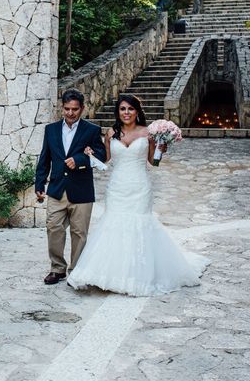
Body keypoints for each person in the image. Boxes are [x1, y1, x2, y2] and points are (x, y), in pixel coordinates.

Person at [67, 94, 209, 296]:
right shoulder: (110, 133)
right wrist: (90, 154)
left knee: (139, 225)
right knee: (113, 224)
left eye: (130, 109)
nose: (126, 113)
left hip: (140, 187)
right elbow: (106, 159)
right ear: (118, 112)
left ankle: (137, 275)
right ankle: (110, 273)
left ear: (137, 112)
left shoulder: (148, 133)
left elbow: (154, 162)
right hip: (117, 187)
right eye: (123, 109)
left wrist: (161, 147)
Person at [35, 89, 107, 285]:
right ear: (62, 108)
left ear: (82, 109)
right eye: (67, 109)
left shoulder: (91, 130)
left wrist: (80, 160)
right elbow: (45, 158)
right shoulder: (51, 130)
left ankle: (76, 270)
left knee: (79, 233)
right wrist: (39, 183)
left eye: (75, 109)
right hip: (57, 188)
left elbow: (101, 155)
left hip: (81, 190)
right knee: (53, 227)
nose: (70, 113)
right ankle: (57, 269)